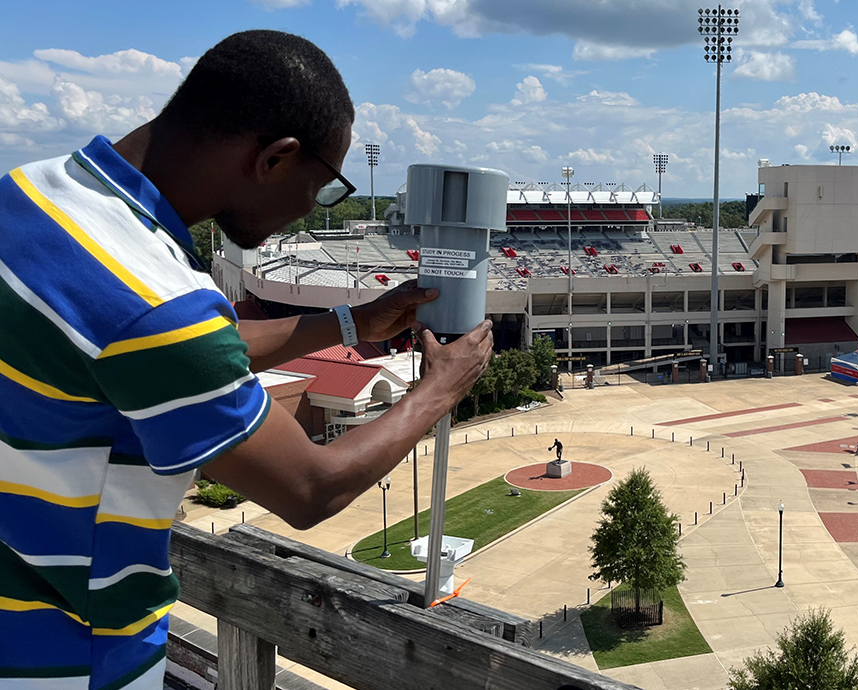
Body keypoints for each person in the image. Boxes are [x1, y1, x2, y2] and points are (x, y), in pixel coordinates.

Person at [0, 30, 492, 688]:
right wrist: (440, 391)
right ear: (276, 159)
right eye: (321, 189)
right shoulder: (157, 303)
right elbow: (311, 487)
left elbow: (183, 356)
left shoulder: (35, 196)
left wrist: (350, 320)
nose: (304, 213)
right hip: (70, 658)